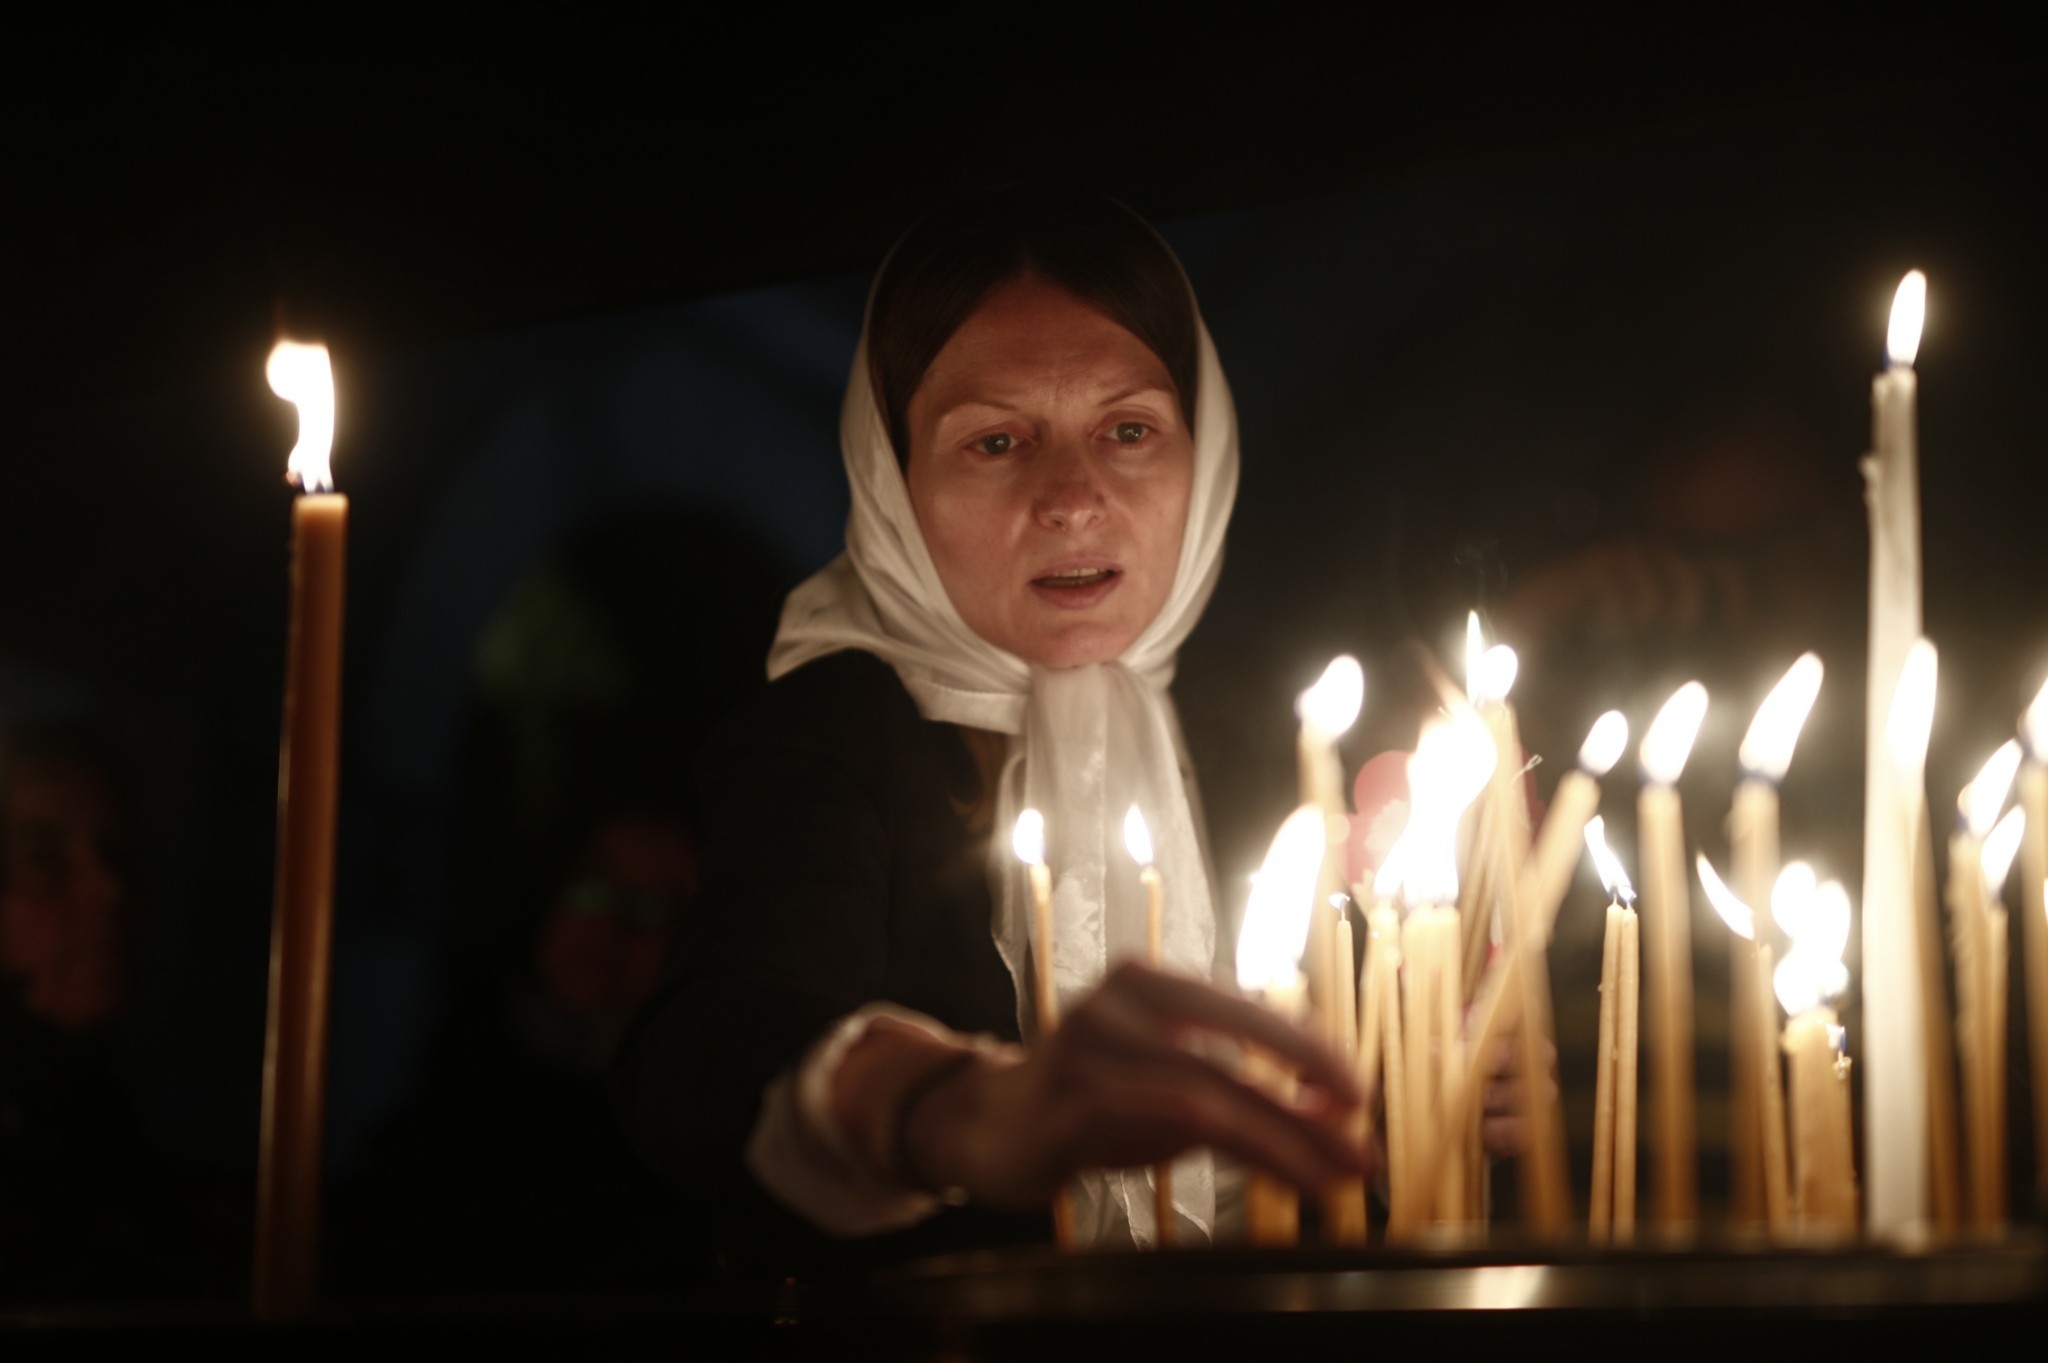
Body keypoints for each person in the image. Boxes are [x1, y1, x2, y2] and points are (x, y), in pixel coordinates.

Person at [615, 191, 1462, 1277]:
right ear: (891, 479)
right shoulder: (833, 731)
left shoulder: (1259, 733)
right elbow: (700, 1060)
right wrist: (955, 1108)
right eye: (997, 441)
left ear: (1201, 457)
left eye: (1126, 429)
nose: (1072, 498)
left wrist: (1409, 1094)